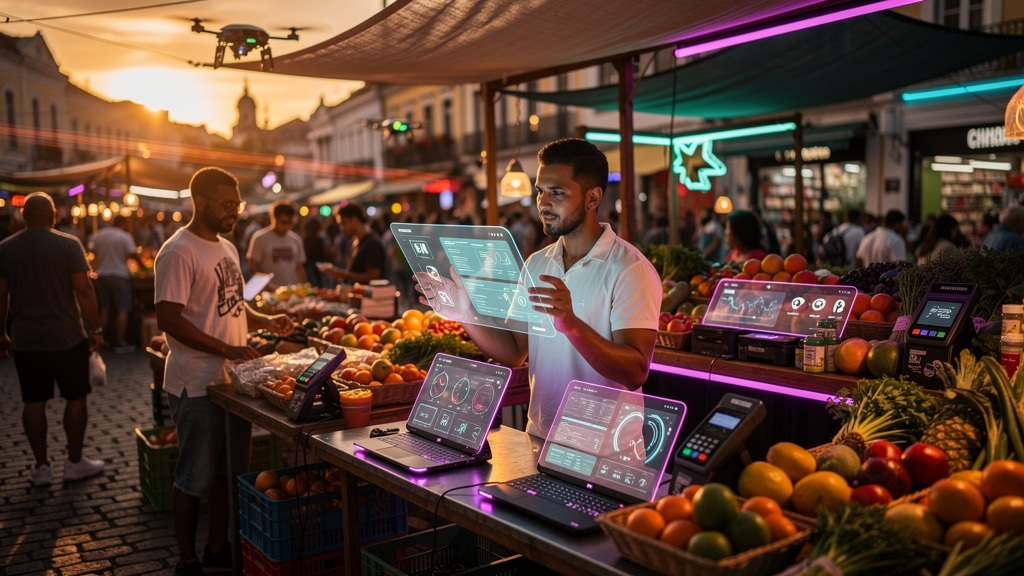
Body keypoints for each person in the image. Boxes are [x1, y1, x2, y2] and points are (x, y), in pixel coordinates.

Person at [416, 138, 661, 438]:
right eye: (540, 191)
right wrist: (464, 312)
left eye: (557, 193)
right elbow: (516, 352)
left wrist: (570, 325)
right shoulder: (536, 264)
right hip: (541, 437)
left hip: (606, 454)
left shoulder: (630, 269)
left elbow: (636, 372)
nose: (543, 203)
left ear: (592, 198)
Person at [155, 167, 294, 576]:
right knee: (193, 478)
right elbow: (169, 318)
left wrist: (266, 319)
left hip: (232, 381)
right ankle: (187, 560)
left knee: (227, 473)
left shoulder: (228, 248)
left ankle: (218, 547)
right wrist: (225, 347)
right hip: (196, 382)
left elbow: (233, 303)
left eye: (237, 204)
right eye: (226, 204)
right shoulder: (178, 251)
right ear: (200, 202)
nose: (234, 211)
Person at [0, 192, 106, 487]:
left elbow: (1, 295)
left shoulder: (5, 248)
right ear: (53, 215)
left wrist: (1, 333)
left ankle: (41, 466)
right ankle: (74, 462)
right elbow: (84, 291)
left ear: (23, 216)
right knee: (75, 397)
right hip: (66, 336)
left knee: (33, 401)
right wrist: (96, 329)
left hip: (25, 338)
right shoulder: (67, 244)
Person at [91, 215, 142, 353]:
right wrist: (142, 266)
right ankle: (119, 341)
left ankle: (102, 339)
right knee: (123, 308)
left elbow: (93, 254)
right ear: (124, 224)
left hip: (102, 274)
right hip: (120, 275)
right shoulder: (125, 236)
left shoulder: (99, 235)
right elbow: (133, 255)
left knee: (105, 308)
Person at [318, 202, 387, 284]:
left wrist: (341, 274)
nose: (342, 228)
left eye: (344, 223)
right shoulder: (353, 241)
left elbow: (373, 276)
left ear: (354, 219)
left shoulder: (372, 243)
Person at [246, 200, 307, 289]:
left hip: (292, 292)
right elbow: (252, 266)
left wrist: (305, 288)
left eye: (290, 223)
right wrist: (269, 284)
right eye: (283, 222)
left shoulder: (296, 239)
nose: (286, 226)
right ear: (274, 218)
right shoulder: (260, 238)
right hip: (269, 293)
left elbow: (299, 267)